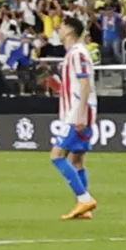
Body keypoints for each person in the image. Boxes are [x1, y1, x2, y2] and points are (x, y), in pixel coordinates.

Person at [51, 15, 100, 219]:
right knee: (77, 160)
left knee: (56, 156)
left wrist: (80, 115)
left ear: (70, 30)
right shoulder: (76, 53)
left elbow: (86, 83)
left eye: (61, 26)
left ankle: (84, 198)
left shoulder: (77, 53)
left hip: (77, 113)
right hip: (82, 110)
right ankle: (85, 209)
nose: (58, 29)